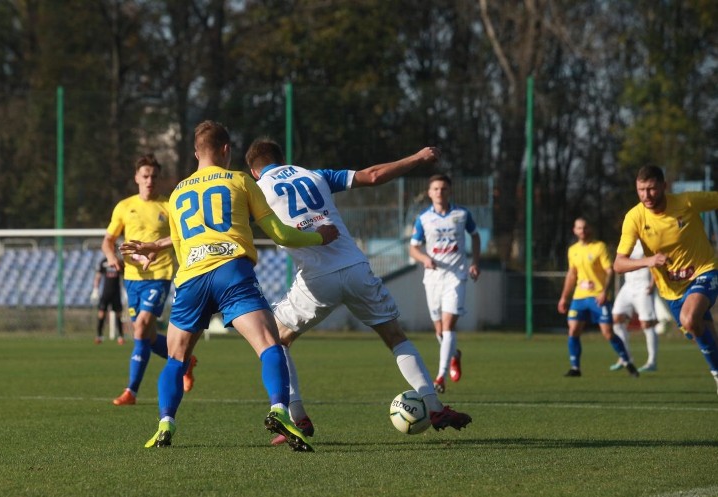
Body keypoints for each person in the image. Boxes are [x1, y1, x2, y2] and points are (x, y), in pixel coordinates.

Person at [122, 120, 339, 451]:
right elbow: (279, 234)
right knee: (269, 345)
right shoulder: (239, 181)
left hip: (192, 277)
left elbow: (180, 248)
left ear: (196, 153)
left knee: (176, 356)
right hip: (231, 271)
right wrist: (317, 236)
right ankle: (279, 410)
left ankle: (166, 421)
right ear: (226, 150)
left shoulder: (178, 192)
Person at [244, 137, 472, 446]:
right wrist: (417, 157)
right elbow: (374, 175)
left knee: (276, 342)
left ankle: (298, 418)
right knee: (395, 337)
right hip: (355, 268)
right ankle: (434, 407)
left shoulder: (255, 190)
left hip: (316, 279)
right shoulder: (314, 175)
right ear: (283, 159)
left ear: (255, 171)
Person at [102, 154, 197, 406]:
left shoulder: (168, 206)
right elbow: (108, 241)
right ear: (136, 178)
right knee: (147, 336)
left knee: (142, 326)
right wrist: (112, 257)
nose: (149, 181)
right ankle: (185, 360)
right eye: (145, 176)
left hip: (160, 274)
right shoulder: (124, 206)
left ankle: (131, 391)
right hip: (132, 278)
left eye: (154, 176)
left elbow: (182, 236)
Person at [614, 164, 718, 394]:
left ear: (664, 186)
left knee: (690, 318)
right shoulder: (634, 217)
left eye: (651, 189)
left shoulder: (687, 202)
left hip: (705, 271)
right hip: (672, 290)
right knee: (700, 333)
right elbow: (619, 264)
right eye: (641, 190)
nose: (646, 195)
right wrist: (647, 261)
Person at [408, 174, 481, 394]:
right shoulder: (423, 218)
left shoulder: (461, 214)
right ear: (430, 193)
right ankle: (454, 355)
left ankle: (439, 377)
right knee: (439, 329)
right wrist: (424, 258)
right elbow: (413, 247)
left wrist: (475, 262)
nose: (440, 192)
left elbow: (475, 237)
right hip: (433, 278)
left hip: (456, 276)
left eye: (443, 188)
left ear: (449, 191)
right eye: (436, 189)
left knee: (448, 327)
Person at [557, 217, 639, 377]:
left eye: (585, 227)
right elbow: (572, 274)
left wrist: (604, 292)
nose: (582, 231)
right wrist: (564, 297)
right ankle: (575, 367)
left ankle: (627, 361)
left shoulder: (599, 247)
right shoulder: (572, 250)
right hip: (579, 298)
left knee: (608, 332)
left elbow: (609, 271)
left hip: (597, 297)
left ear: (590, 229)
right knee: (573, 330)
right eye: (579, 228)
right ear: (574, 231)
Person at [609, 239, 659, 372]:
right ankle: (625, 357)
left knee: (646, 324)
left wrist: (653, 284)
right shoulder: (627, 241)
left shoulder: (648, 239)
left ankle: (652, 362)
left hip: (644, 285)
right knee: (616, 319)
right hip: (628, 286)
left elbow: (656, 261)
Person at [91, 256, 125, 345]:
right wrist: (95, 289)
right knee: (101, 314)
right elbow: (98, 276)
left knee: (118, 315)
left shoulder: (118, 261)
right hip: (105, 293)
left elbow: (124, 276)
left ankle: (120, 336)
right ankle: (99, 335)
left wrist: (126, 290)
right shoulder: (103, 262)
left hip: (116, 293)